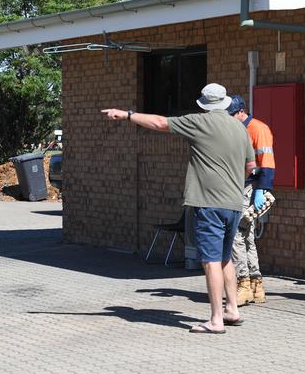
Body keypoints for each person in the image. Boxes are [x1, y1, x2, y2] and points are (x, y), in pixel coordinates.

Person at [101, 83, 255, 334]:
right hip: (234, 203)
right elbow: (250, 166)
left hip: (209, 203)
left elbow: (160, 123)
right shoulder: (240, 128)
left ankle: (216, 320)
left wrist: (127, 115)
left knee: (211, 261)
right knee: (226, 258)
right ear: (225, 103)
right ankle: (232, 309)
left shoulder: (199, 122)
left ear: (204, 104)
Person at [226, 95, 275, 306]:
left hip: (249, 187)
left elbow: (267, 161)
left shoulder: (257, 128)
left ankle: (243, 283)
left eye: (231, 115)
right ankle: (256, 284)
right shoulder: (237, 128)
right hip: (241, 186)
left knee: (237, 235)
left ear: (241, 112)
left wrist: (262, 189)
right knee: (246, 237)